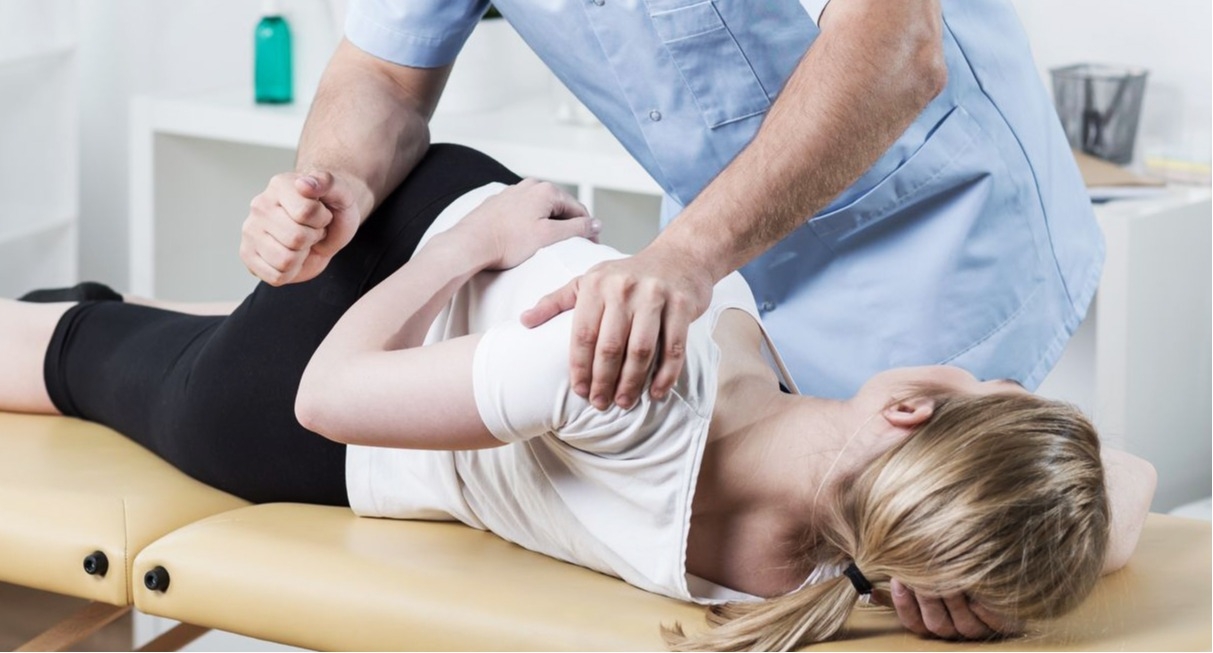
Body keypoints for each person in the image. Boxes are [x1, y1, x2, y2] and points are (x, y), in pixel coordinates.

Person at [6, 146, 1150, 651]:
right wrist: (978, 582)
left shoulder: (627, 381)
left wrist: (470, 250)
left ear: (909, 411)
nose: (985, 373)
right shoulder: (824, 575)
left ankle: (82, 317)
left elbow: (326, 393)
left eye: (984, 388)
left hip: (339, 375)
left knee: (86, 355)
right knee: (193, 331)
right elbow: (1125, 487)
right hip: (450, 287)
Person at [239, 0, 1102, 419]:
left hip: (937, 232)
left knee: (943, 542)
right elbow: (384, 75)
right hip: (723, 265)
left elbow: (895, 48)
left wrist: (688, 256)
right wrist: (332, 183)